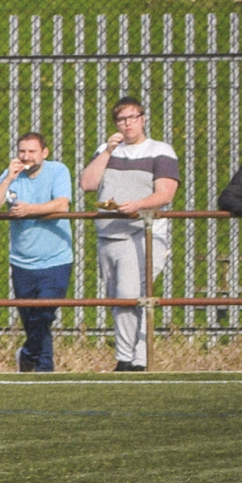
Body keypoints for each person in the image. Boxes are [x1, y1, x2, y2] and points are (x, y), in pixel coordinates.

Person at [76, 97, 178, 373]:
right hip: (109, 235)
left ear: (143, 119)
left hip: (143, 233)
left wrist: (138, 205)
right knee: (118, 299)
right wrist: (107, 152)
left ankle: (139, 359)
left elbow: (165, 194)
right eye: (122, 119)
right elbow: (87, 183)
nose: (128, 123)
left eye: (133, 117)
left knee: (132, 295)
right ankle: (125, 358)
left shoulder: (159, 150)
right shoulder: (106, 150)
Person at [0, 130, 74, 373]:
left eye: (32, 151)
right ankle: (43, 369)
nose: (26, 156)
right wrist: (7, 180)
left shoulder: (58, 171)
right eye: (22, 151)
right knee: (32, 322)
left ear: (44, 153)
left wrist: (30, 209)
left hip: (55, 260)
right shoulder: (13, 175)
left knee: (44, 315)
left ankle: (27, 354)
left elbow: (62, 204)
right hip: (22, 262)